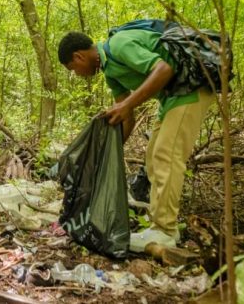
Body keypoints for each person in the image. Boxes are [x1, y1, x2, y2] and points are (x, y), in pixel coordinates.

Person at [57, 28, 215, 252]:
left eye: (73, 69)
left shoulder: (119, 45)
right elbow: (126, 118)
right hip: (172, 98)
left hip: (191, 89)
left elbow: (164, 69)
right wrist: (105, 156)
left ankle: (165, 231)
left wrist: (127, 104)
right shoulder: (111, 73)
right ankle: (159, 226)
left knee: (166, 155)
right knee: (153, 157)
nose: (77, 74)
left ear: (78, 56)